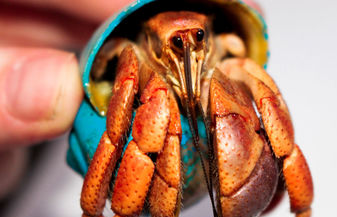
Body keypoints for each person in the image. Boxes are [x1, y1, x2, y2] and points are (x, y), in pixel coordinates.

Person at [0, 0, 262, 198]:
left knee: (264, 102)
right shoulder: (134, 52)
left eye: (199, 36)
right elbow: (106, 58)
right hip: (149, 104)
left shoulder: (225, 49)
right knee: (163, 117)